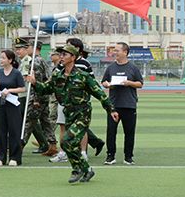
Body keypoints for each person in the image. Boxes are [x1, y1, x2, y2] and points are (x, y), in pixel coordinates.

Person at [28, 44, 118, 184]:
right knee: (69, 145)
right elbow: (45, 88)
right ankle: (86, 170)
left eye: (65, 54)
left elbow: (99, 93)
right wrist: (35, 83)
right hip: (68, 113)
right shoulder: (57, 75)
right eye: (60, 54)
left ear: (73, 57)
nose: (61, 57)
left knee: (66, 141)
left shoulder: (83, 76)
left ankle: (77, 170)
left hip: (82, 113)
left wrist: (111, 109)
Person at [101, 42, 144, 165]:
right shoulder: (110, 67)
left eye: (117, 50)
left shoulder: (133, 68)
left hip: (129, 104)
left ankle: (128, 157)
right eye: (114, 50)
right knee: (111, 132)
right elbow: (103, 81)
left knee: (129, 132)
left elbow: (140, 84)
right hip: (113, 105)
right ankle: (110, 156)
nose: (115, 52)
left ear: (125, 52)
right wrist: (106, 84)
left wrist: (129, 83)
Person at [0, 49, 25, 167]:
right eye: (0, 58)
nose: (1, 60)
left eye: (3, 58)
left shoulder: (16, 73)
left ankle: (14, 157)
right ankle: (0, 157)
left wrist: (10, 90)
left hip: (13, 104)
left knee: (14, 130)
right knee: (0, 130)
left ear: (10, 60)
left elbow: (22, 88)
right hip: (1, 103)